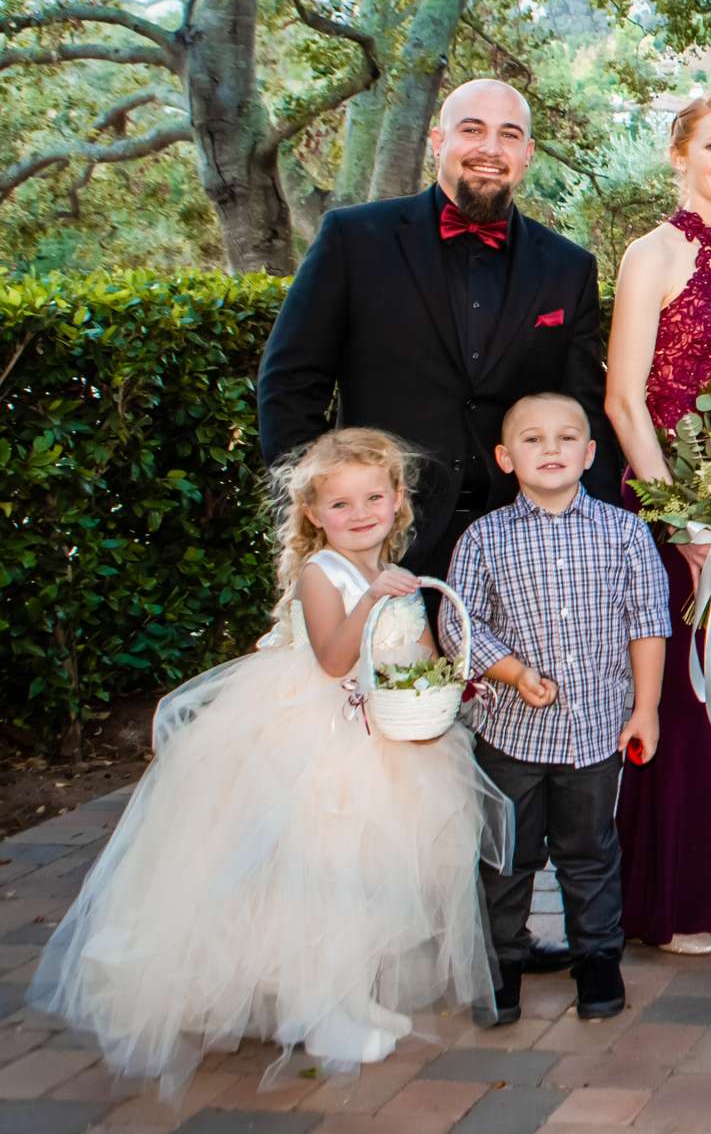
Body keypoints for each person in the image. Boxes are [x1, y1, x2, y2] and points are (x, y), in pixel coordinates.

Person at [33, 429, 509, 1092]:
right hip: (317, 739)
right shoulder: (325, 575)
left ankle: (349, 995)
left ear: (398, 501)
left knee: (371, 880)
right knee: (318, 879)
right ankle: (318, 1011)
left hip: (388, 738)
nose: (361, 512)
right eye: (340, 504)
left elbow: (422, 652)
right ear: (314, 514)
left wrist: (444, 682)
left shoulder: (397, 576)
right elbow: (336, 659)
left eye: (374, 497)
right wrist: (373, 601)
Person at [256, 79, 612, 578]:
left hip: (521, 543)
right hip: (383, 541)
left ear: (528, 153)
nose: (490, 148)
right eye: (472, 129)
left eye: (509, 135)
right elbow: (290, 385)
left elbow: (584, 406)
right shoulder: (353, 240)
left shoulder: (568, 267)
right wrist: (325, 512)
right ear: (437, 140)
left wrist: (601, 528)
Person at [604, 92, 711, 957]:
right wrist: (678, 517)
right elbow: (623, 398)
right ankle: (665, 899)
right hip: (667, 512)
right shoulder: (654, 253)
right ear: (680, 154)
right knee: (675, 692)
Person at [442, 393, 672, 1025]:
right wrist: (514, 673)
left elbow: (648, 623)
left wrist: (644, 709)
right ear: (505, 457)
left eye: (567, 438)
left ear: (590, 453)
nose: (551, 450)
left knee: (590, 850)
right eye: (533, 440)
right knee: (508, 854)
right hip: (510, 735)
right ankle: (503, 962)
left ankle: (597, 958)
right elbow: (458, 626)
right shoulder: (485, 538)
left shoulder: (624, 532)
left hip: (595, 733)